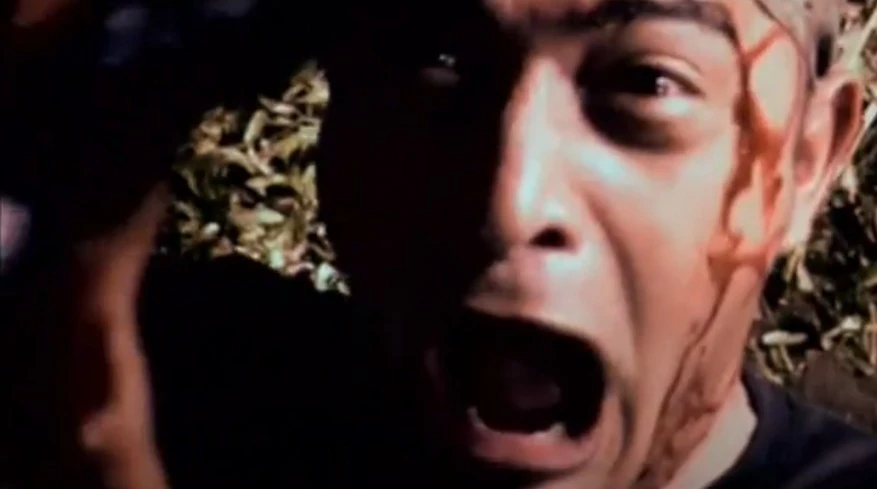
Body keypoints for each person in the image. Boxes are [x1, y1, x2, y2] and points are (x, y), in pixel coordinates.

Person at [3, 1, 877, 488]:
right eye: (440, 60)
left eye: (645, 83)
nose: (508, 199)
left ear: (806, 161)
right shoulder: (179, 380)